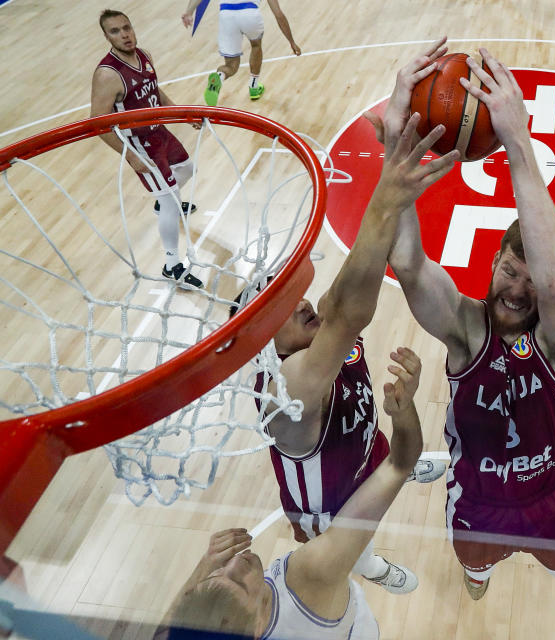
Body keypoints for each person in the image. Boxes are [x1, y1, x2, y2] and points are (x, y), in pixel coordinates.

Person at [376, 43, 555, 618]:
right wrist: (394, 152)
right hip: (477, 498)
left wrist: (518, 143)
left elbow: (554, 288)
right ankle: (479, 570)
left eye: (529, 278)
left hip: (551, 498)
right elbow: (410, 265)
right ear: (493, 259)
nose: (518, 289)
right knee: (474, 565)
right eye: (508, 270)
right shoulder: (467, 330)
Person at [228, 77, 457, 595]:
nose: (305, 303)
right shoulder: (288, 388)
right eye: (286, 306)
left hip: (359, 443)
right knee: (360, 536)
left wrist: (391, 158)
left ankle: (397, 461)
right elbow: (354, 312)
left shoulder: (311, 328)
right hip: (329, 509)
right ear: (265, 338)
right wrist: (385, 198)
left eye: (295, 294)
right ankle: (369, 567)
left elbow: (361, 271)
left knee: (375, 448)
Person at [158, 346, 425, 639]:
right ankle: (373, 568)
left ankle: (370, 566)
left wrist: (204, 568)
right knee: (352, 552)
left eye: (219, 574)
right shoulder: (311, 576)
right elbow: (399, 464)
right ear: (258, 626)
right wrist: (404, 408)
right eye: (239, 581)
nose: (233, 562)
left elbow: (164, 634)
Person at [91, 9, 203, 288]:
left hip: (159, 133)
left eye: (126, 27)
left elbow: (156, 91)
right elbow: (97, 123)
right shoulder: (107, 75)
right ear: (106, 37)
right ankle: (171, 265)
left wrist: (181, 112)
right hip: (140, 145)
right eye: (115, 31)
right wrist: (130, 156)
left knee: (188, 169)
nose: (124, 34)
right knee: (170, 198)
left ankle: (162, 199)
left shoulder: (145, 55)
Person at [182, 0, 301, 104]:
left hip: (226, 16)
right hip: (250, 14)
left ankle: (219, 76)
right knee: (256, 45)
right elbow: (279, 14)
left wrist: (189, 11)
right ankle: (254, 86)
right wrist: (291, 41)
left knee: (231, 65)